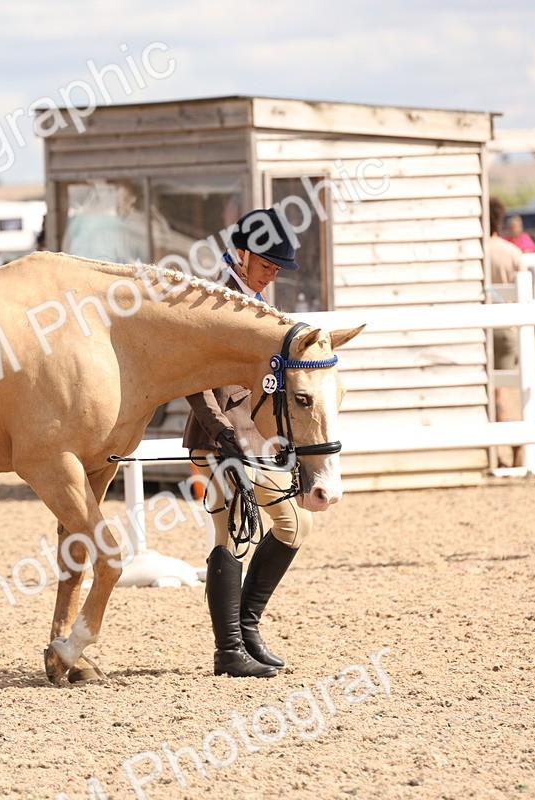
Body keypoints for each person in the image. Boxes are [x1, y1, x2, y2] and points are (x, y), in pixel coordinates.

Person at [184, 208, 311, 679]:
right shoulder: (213, 303)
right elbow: (192, 381)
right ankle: (229, 649)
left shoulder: (261, 307)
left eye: (278, 268)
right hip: (218, 439)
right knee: (231, 535)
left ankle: (248, 628)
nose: (272, 274)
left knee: (294, 527)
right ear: (240, 254)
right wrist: (220, 433)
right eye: (266, 265)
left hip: (261, 441)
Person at [487, 197, 525, 468]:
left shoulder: (476, 250)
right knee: (501, 395)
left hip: (481, 328)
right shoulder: (512, 252)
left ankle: (500, 452)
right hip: (505, 327)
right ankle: (513, 444)